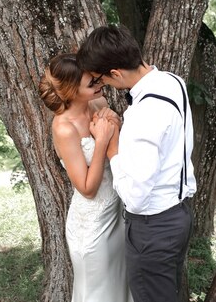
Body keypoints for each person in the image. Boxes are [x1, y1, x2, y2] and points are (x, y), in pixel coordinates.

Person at [77, 26, 197, 302]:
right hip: (178, 216)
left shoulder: (143, 114)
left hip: (152, 226)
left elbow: (136, 198)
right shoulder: (172, 81)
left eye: (101, 78)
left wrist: (112, 146)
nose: (102, 85)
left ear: (116, 73)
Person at [38, 53, 133, 302]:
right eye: (91, 83)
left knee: (122, 289)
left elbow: (122, 152)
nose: (100, 84)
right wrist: (100, 141)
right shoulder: (64, 128)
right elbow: (87, 189)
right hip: (93, 226)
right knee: (100, 294)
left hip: (119, 215)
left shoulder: (99, 105)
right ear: (71, 90)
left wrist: (117, 124)